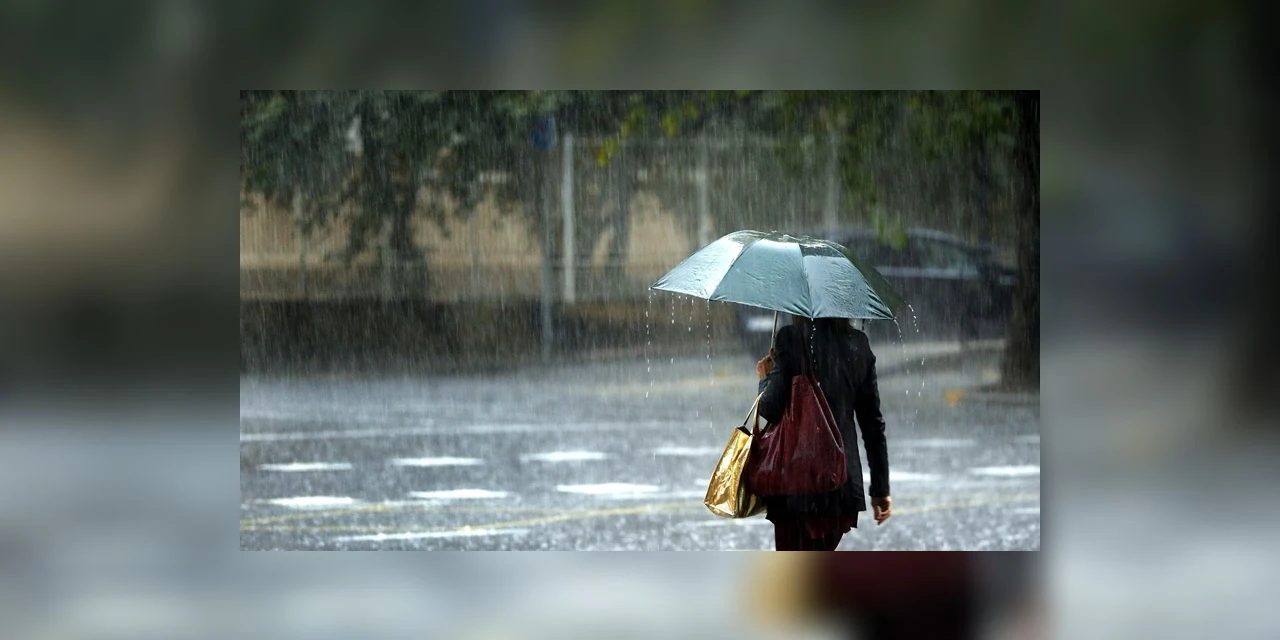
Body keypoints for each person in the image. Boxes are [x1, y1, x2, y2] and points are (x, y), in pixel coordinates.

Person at [755, 315, 891, 551]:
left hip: (796, 485)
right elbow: (872, 424)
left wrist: (765, 378)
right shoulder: (858, 343)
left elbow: (770, 408)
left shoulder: (791, 338)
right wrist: (880, 489)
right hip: (840, 485)